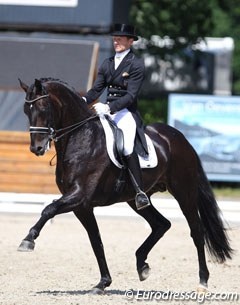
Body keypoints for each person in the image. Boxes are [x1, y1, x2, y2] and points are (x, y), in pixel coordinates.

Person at [84, 23, 150, 210]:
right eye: (115, 38)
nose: (116, 41)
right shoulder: (108, 63)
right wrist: (82, 99)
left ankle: (140, 192)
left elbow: (131, 96)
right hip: (106, 110)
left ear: (130, 41)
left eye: (120, 38)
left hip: (126, 112)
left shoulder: (136, 64)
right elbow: (97, 89)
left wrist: (109, 107)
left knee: (126, 145)